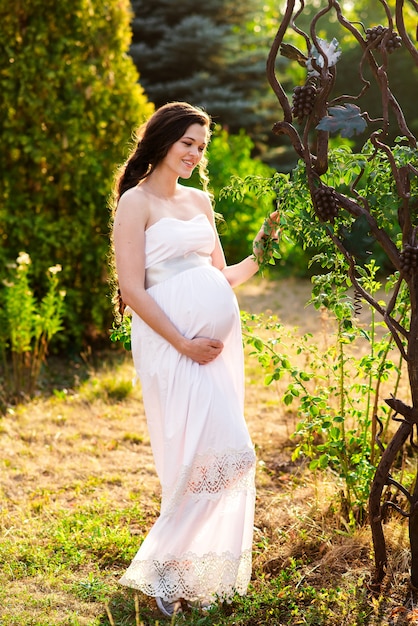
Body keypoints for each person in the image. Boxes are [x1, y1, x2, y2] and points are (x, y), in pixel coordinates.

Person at [111, 101, 278, 618]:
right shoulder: (135, 204)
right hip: (171, 346)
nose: (194, 153)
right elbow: (131, 289)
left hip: (215, 352)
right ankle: (165, 569)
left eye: (200, 147)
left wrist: (262, 252)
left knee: (221, 458)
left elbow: (220, 276)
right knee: (215, 457)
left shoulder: (202, 201)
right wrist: (183, 341)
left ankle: (174, 570)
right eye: (188, 142)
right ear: (162, 140)